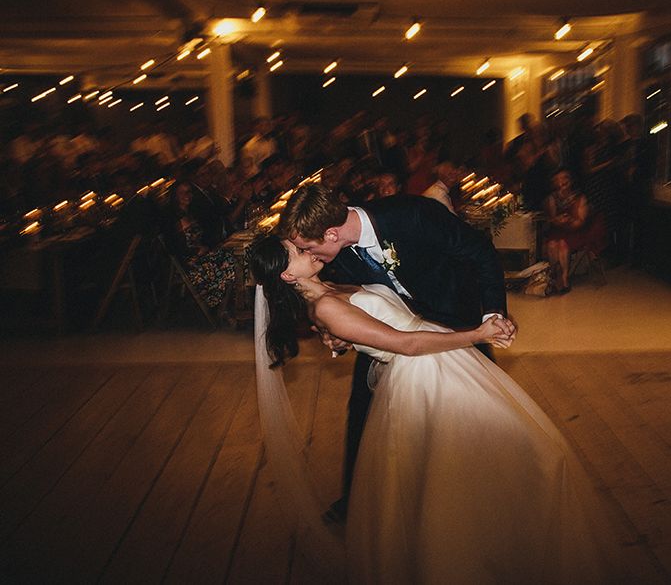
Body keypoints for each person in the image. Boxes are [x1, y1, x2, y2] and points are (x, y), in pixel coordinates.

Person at [248, 234, 619, 584]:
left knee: (487, 462)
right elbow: (405, 345)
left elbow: (374, 323)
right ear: (286, 274)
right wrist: (477, 334)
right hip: (425, 375)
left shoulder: (333, 289)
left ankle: (503, 549)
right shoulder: (325, 305)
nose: (306, 249)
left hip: (443, 359)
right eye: (296, 251)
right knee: (520, 455)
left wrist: (345, 339)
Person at [279, 183, 511, 521]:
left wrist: (492, 314)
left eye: (308, 247)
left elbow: (481, 252)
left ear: (330, 233)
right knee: (363, 407)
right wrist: (341, 340)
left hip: (455, 321)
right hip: (394, 337)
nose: (310, 256)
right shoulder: (332, 254)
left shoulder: (412, 215)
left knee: (485, 408)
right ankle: (359, 495)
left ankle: (492, 483)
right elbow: (346, 309)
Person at [162, 180, 236, 314]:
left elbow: (205, 236)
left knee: (233, 257)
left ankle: (229, 304)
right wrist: (196, 251)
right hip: (189, 262)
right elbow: (173, 246)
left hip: (204, 254)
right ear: (175, 195)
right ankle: (221, 306)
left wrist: (210, 246)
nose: (187, 195)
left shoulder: (193, 212)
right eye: (182, 192)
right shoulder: (170, 218)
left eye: (189, 192)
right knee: (227, 263)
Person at [544, 169, 606, 293]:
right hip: (558, 230)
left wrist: (569, 221)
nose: (562, 182)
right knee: (551, 244)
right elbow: (551, 218)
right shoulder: (552, 198)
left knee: (562, 244)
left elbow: (581, 221)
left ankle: (564, 278)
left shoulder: (580, 198)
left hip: (576, 231)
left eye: (564, 178)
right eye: (558, 179)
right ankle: (556, 275)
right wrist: (557, 220)